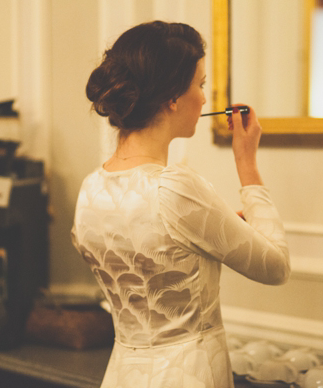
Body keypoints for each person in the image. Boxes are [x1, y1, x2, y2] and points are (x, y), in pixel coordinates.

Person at [72, 20, 290, 388]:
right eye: (200, 84)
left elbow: (155, 250)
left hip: (123, 374)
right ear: (173, 97)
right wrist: (247, 164)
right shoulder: (176, 187)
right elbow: (276, 267)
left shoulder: (90, 189)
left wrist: (216, 228)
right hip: (188, 374)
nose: (205, 98)